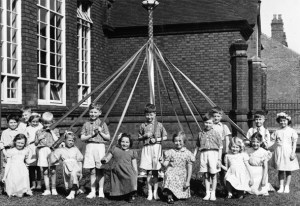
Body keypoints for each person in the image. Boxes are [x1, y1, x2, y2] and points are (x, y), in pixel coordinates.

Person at [138, 103, 167, 200]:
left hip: (156, 148)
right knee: (148, 172)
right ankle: (149, 193)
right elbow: (138, 138)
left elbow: (166, 137)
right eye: (147, 114)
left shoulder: (159, 125)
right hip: (147, 149)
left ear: (155, 114)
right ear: (145, 115)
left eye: (151, 114)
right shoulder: (143, 125)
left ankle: (156, 193)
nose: (149, 116)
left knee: (155, 172)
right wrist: (144, 136)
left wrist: (157, 140)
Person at [81, 103, 110, 198]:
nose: (93, 114)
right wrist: (91, 135)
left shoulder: (103, 123)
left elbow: (108, 138)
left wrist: (100, 132)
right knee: (92, 171)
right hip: (90, 146)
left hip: (99, 147)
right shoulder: (86, 124)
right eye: (91, 112)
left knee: (100, 170)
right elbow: (82, 137)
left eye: (95, 112)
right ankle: (93, 191)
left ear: (99, 113)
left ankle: (101, 191)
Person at [101, 133, 138, 203]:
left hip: (128, 171)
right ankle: (121, 194)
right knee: (119, 183)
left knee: (131, 180)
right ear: (119, 142)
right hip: (117, 170)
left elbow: (134, 165)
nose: (125, 144)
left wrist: (135, 173)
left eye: (127, 142)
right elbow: (108, 158)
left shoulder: (132, 152)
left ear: (130, 143)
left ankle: (130, 195)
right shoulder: (115, 149)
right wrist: (104, 160)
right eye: (123, 141)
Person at [193, 113, 222, 201]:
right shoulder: (200, 134)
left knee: (213, 174)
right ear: (203, 123)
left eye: (210, 123)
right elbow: (197, 146)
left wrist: (219, 159)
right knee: (206, 174)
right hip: (204, 154)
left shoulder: (216, 133)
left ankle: (213, 193)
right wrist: (194, 155)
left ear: (213, 123)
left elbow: (220, 147)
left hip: (213, 154)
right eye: (206, 123)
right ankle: (207, 192)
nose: (208, 124)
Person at [161, 131, 194, 204]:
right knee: (169, 174)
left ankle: (177, 194)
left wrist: (188, 181)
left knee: (179, 193)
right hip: (172, 170)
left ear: (184, 141)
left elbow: (189, 168)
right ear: (173, 141)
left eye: (180, 141)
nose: (178, 143)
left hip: (182, 172)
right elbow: (165, 164)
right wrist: (161, 162)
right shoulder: (171, 152)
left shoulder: (188, 153)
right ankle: (170, 197)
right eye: (176, 141)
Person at [270, 112, 299, 193]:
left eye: (284, 121)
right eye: (281, 121)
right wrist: (266, 146)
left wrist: (293, 153)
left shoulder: (292, 131)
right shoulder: (277, 131)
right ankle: (281, 186)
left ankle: (287, 186)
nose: (283, 122)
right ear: (279, 121)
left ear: (288, 121)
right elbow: (272, 141)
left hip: (288, 151)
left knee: (288, 170)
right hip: (279, 151)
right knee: (280, 169)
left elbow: (294, 143)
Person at [50, 131, 83, 199]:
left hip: (75, 167)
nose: (71, 142)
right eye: (69, 140)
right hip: (67, 169)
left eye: (73, 141)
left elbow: (80, 159)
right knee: (68, 187)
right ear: (64, 140)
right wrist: (55, 149)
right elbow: (53, 160)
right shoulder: (61, 149)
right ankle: (77, 190)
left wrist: (80, 170)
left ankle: (72, 193)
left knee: (74, 174)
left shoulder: (75, 149)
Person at [35, 112, 60, 196]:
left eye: (49, 123)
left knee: (53, 170)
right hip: (42, 150)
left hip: (51, 150)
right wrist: (38, 139)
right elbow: (35, 143)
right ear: (42, 122)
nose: (46, 124)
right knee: (45, 171)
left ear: (52, 122)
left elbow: (57, 140)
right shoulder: (39, 131)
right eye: (45, 122)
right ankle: (47, 189)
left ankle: (53, 188)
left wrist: (51, 131)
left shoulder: (55, 130)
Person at [210, 107, 231, 187]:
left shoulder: (224, 126)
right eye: (215, 116)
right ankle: (211, 183)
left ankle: (224, 183)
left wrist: (227, 150)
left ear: (221, 117)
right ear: (212, 116)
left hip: (221, 149)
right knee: (212, 165)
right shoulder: (210, 125)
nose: (216, 118)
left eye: (218, 116)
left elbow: (227, 139)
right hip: (212, 148)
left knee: (222, 166)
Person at [26, 113, 43, 190]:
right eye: (33, 121)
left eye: (37, 121)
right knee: (31, 167)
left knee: (38, 166)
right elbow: (26, 139)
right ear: (30, 122)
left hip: (38, 148)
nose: (35, 123)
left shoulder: (41, 127)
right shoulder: (27, 129)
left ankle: (39, 183)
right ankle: (33, 184)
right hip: (30, 149)